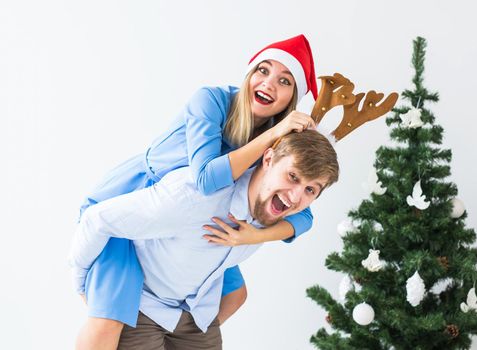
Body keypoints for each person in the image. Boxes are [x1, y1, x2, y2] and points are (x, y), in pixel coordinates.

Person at [74, 35, 320, 350]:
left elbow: (305, 214)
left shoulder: (279, 138)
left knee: (234, 295)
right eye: (263, 70)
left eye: (284, 81)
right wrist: (273, 135)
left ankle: (167, 333)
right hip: (137, 205)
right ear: (249, 75)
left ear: (291, 98)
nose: (269, 83)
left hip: (196, 220)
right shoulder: (213, 101)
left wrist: (251, 237)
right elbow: (204, 179)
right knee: (109, 318)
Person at [70, 130, 339, 350]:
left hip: (193, 311)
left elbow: (305, 218)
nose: (295, 196)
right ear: (267, 159)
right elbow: (97, 219)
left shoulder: (277, 212)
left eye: (310, 190)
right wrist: (82, 283)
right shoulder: (193, 199)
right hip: (144, 304)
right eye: (292, 177)